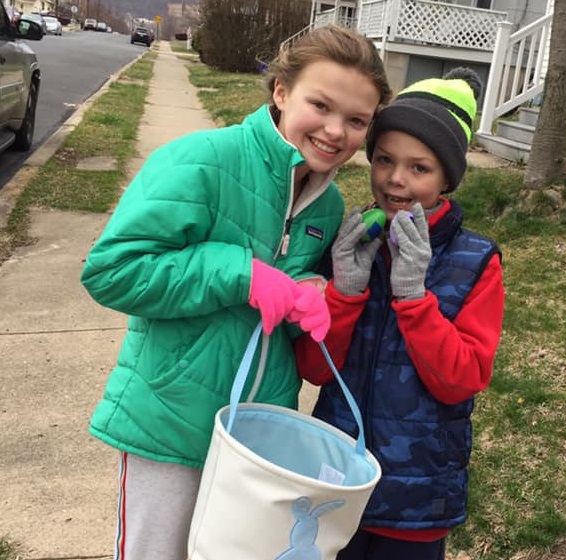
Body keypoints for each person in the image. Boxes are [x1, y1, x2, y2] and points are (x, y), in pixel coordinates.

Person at [80, 24, 391, 560]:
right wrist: (240, 275)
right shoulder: (202, 160)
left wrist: (310, 294)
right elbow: (111, 270)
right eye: (321, 104)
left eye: (357, 120)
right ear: (280, 91)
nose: (336, 131)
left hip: (258, 434)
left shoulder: (329, 207)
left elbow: (287, 305)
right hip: (170, 418)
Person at [294, 68, 505, 560]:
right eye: (385, 159)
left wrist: (413, 299)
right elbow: (313, 367)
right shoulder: (353, 241)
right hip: (338, 482)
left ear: (448, 178)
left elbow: (463, 378)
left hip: (418, 494)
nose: (396, 178)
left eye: (419, 168)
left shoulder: (475, 262)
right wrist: (344, 292)